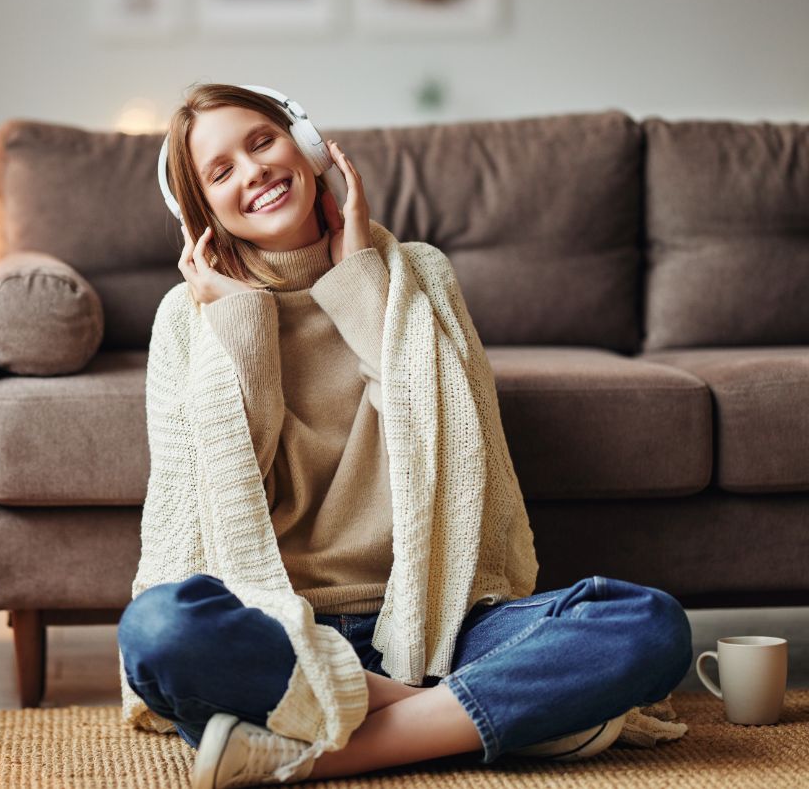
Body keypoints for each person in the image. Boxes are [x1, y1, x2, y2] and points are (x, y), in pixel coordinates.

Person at [117, 83, 693, 788]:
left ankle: (326, 747)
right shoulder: (187, 318)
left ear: (304, 140)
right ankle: (472, 717)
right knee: (157, 632)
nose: (254, 171)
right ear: (200, 213)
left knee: (648, 626)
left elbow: (454, 444)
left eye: (262, 142)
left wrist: (361, 283)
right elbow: (220, 498)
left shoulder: (416, 273)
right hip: (284, 631)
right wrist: (242, 326)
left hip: (436, 627)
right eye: (221, 171)